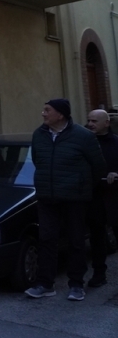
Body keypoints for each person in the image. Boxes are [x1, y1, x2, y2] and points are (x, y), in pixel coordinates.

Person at [25, 99, 107, 301]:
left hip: (74, 198)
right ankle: (45, 284)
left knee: (76, 241)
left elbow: (98, 167)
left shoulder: (83, 136)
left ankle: (76, 285)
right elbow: (38, 160)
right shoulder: (39, 135)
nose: (43, 113)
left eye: (47, 110)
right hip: (47, 197)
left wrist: (81, 186)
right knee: (47, 240)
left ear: (60, 115)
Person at [85, 109, 118, 288]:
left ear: (106, 123)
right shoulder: (85, 142)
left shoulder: (116, 143)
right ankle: (99, 274)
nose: (90, 124)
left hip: (114, 197)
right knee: (97, 238)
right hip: (94, 198)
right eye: (89, 120)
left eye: (94, 121)